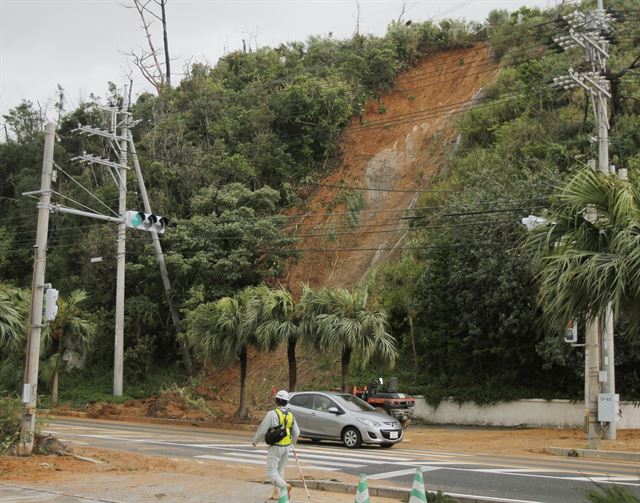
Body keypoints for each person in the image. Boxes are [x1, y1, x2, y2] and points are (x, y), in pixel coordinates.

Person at [252, 389, 300, 500]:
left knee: (271, 473)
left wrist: (256, 440)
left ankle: (284, 486)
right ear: (286, 402)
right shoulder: (290, 415)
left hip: (275, 447)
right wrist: (293, 443)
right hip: (286, 447)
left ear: (276, 400)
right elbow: (296, 433)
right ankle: (277, 494)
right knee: (280, 471)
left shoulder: (272, 414)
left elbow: (263, 429)